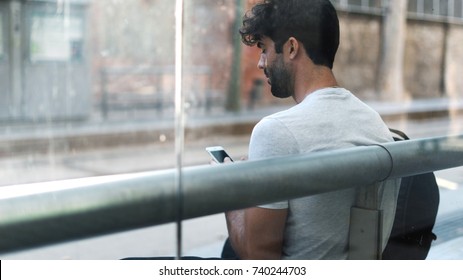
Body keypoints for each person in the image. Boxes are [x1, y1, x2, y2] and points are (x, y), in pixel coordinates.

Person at [224, 0, 400, 259]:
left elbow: (257, 258)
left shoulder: (275, 132)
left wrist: (230, 186)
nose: (261, 63)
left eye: (265, 48)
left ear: (292, 47)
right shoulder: (374, 123)